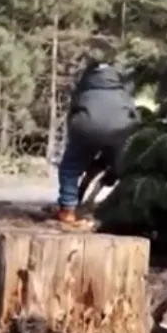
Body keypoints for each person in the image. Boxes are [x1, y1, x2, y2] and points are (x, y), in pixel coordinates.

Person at [56, 60, 139, 223]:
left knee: (69, 169)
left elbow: (73, 112)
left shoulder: (83, 88)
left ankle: (67, 209)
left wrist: (74, 137)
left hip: (86, 128)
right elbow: (134, 113)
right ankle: (118, 209)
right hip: (120, 131)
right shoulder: (122, 90)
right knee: (123, 169)